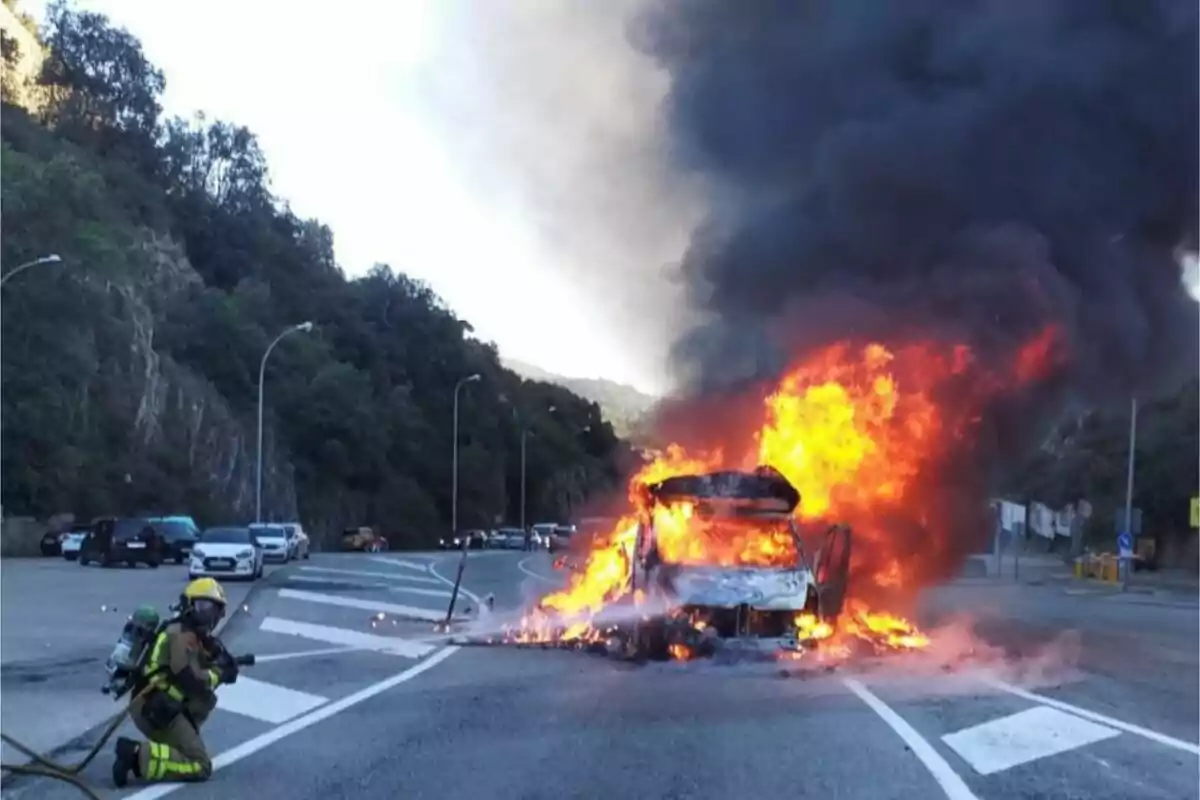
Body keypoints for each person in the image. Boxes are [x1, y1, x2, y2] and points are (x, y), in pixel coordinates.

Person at [111, 577, 238, 787]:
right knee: (200, 766)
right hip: (155, 709)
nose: (207, 614)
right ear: (188, 605)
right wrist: (220, 673)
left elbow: (201, 660)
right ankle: (134, 755)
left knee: (206, 700)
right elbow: (191, 679)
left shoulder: (189, 632)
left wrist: (224, 662)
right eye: (201, 606)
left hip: (157, 705)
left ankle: (176, 745)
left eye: (212, 609)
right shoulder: (181, 635)